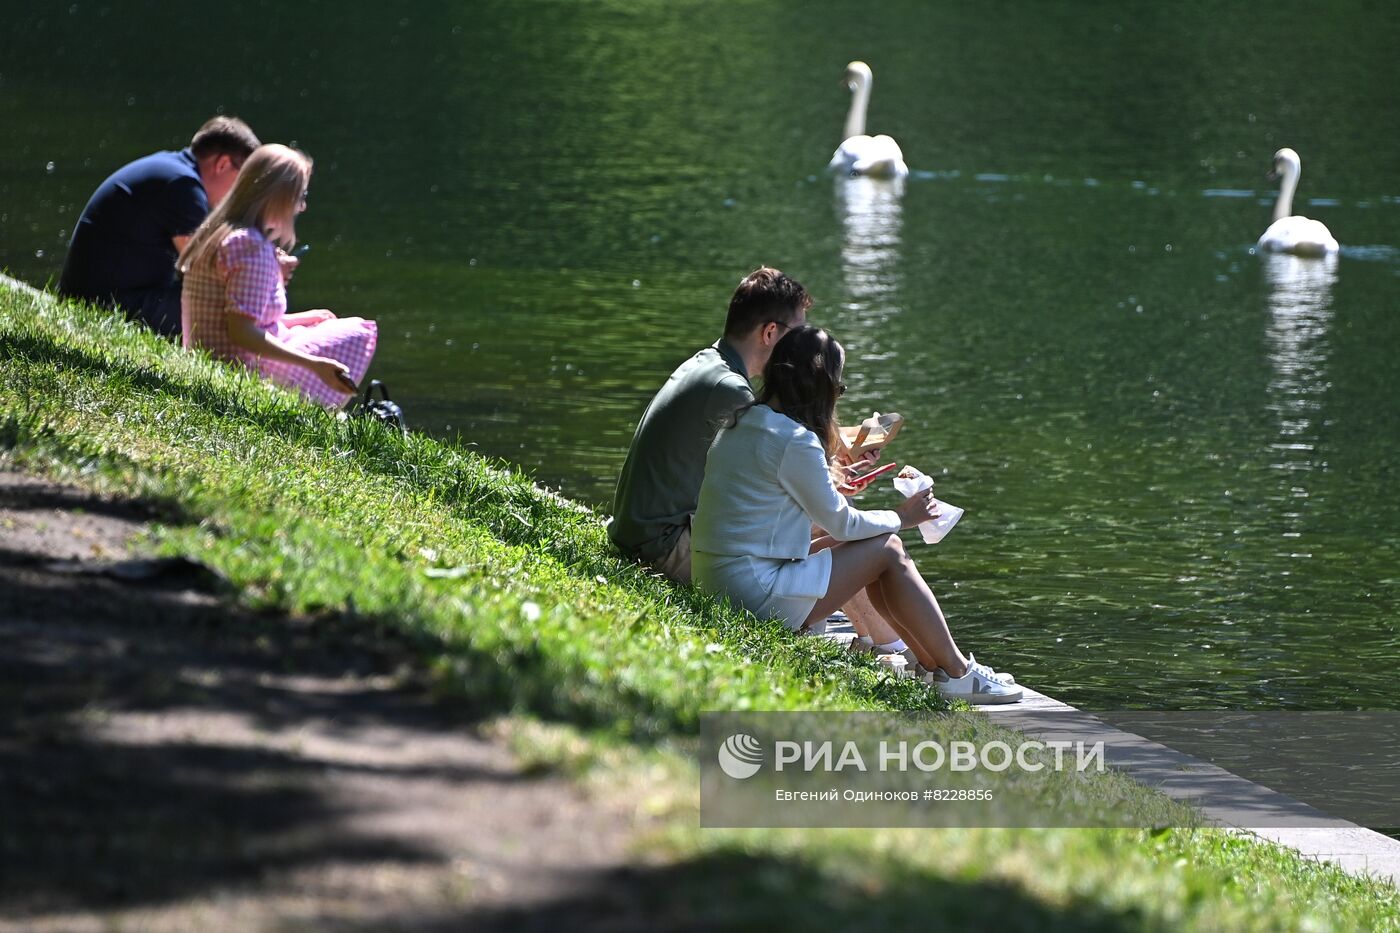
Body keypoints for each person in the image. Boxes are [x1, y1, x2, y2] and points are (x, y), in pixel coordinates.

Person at [691, 325, 1021, 704]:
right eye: (839, 387)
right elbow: (841, 523)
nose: (839, 396)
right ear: (822, 387)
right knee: (888, 547)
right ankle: (956, 672)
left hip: (720, 582)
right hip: (752, 595)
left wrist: (835, 477)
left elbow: (778, 501)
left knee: (874, 544)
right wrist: (904, 515)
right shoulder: (795, 440)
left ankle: (935, 667)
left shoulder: (743, 422)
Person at [608, 267, 811, 582]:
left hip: (642, 535)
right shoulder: (729, 390)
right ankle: (814, 624)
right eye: (798, 336)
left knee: (816, 522)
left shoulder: (710, 365)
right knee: (816, 527)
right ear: (770, 332)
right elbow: (773, 486)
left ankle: (858, 630)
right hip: (660, 549)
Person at [178, 144, 376, 409]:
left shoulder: (218, 232)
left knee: (320, 324)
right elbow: (241, 332)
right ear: (279, 196)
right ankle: (320, 410)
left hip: (209, 360)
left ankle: (322, 407)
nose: (302, 206)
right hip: (237, 371)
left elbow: (235, 318)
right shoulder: (250, 246)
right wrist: (314, 366)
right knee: (355, 331)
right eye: (300, 195)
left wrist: (298, 320)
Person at [58, 116, 261, 336]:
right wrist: (264, 271)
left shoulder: (170, 169)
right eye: (242, 181)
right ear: (222, 164)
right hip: (105, 304)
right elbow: (203, 272)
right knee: (223, 305)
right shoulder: (185, 187)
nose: (240, 193)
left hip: (87, 295)